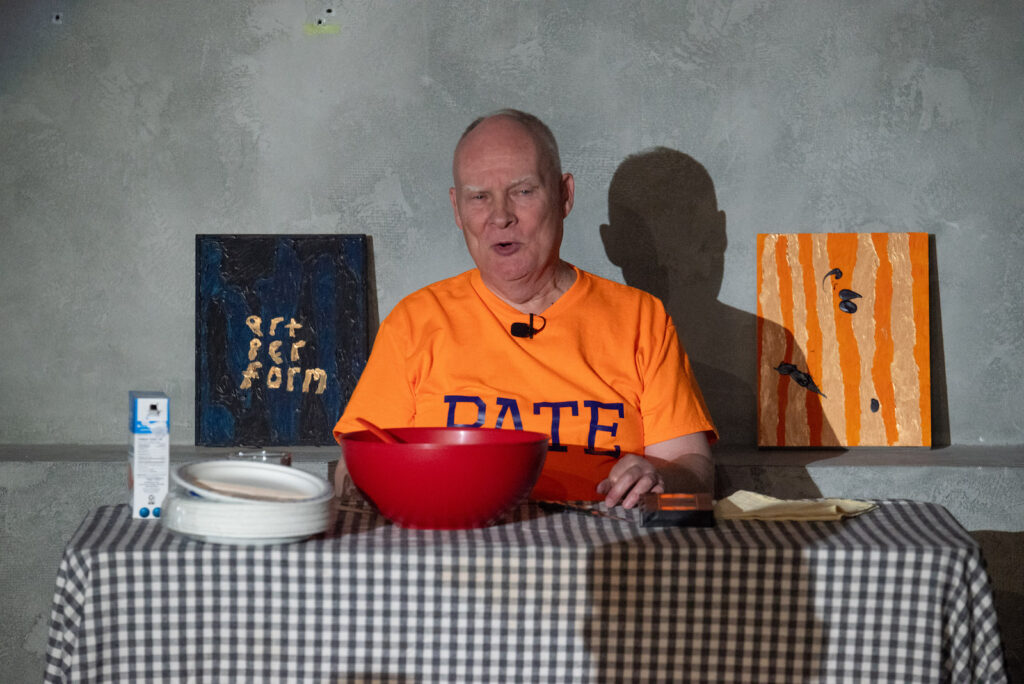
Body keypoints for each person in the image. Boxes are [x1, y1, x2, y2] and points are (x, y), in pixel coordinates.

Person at [334, 109, 716, 508]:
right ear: (457, 210)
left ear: (564, 195)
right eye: (479, 197)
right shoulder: (415, 322)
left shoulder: (641, 319)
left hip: (603, 554)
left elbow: (694, 469)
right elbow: (351, 465)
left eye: (523, 191)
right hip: (452, 552)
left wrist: (661, 476)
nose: (501, 217)